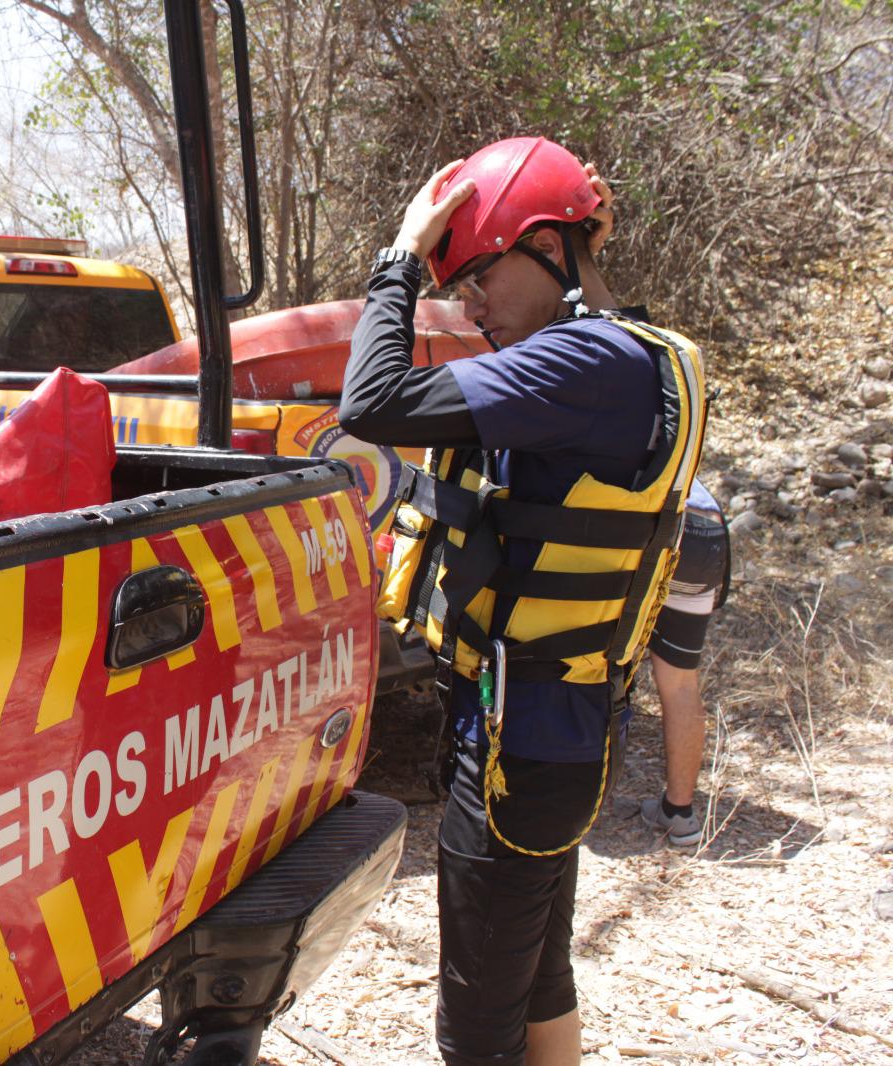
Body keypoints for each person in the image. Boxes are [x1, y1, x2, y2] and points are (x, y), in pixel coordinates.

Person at [339, 137, 706, 1066]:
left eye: (475, 275)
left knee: (477, 1019)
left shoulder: (587, 365)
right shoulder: (621, 361)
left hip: (521, 739)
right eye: (449, 284)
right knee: (538, 971)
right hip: (553, 721)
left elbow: (372, 401)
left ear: (548, 245)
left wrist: (395, 262)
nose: (467, 304)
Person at [640, 476, 730, 846]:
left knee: (586, 664)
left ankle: (576, 800)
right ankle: (680, 813)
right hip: (703, 525)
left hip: (641, 523)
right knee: (680, 682)